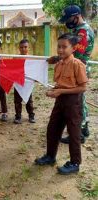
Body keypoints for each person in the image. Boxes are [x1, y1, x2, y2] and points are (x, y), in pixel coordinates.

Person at [35, 33, 88, 175]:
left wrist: (61, 91)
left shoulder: (78, 65)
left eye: (64, 47)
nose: (60, 50)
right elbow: (60, 84)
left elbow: (83, 87)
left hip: (73, 103)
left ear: (73, 48)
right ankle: (50, 156)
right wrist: (54, 90)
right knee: (53, 128)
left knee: (74, 133)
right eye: (58, 46)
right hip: (60, 101)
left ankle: (75, 163)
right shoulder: (59, 64)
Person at [48, 5, 94, 144]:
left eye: (69, 18)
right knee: (80, 100)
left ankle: (78, 132)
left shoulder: (83, 33)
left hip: (77, 69)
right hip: (75, 67)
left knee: (77, 100)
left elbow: (75, 55)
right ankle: (83, 128)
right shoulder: (78, 30)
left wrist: (58, 58)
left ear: (77, 16)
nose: (67, 21)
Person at [13, 39, 35, 124]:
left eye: (25, 47)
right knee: (17, 101)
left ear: (28, 47)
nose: (23, 49)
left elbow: (34, 70)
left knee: (29, 100)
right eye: (21, 47)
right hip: (18, 82)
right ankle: (18, 116)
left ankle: (31, 115)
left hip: (28, 83)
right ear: (19, 48)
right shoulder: (15, 58)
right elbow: (12, 69)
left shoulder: (32, 58)